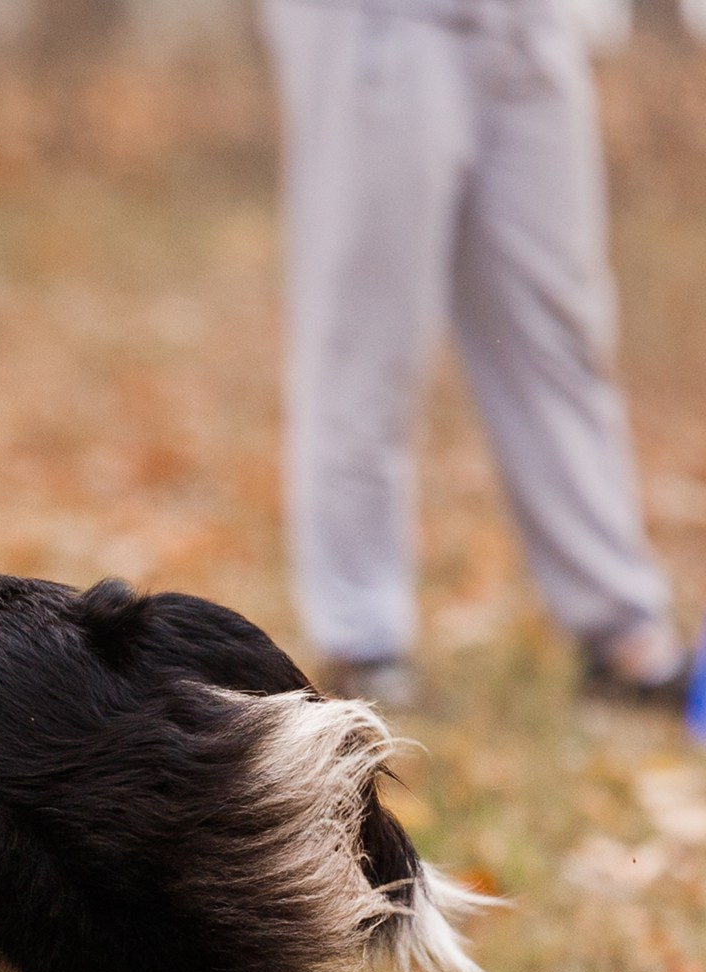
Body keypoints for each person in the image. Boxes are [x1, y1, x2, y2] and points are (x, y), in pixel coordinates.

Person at [263, 0, 684, 711]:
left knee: (561, 332)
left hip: (534, 24)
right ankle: (362, 639)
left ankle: (621, 629)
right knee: (369, 339)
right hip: (382, 24)